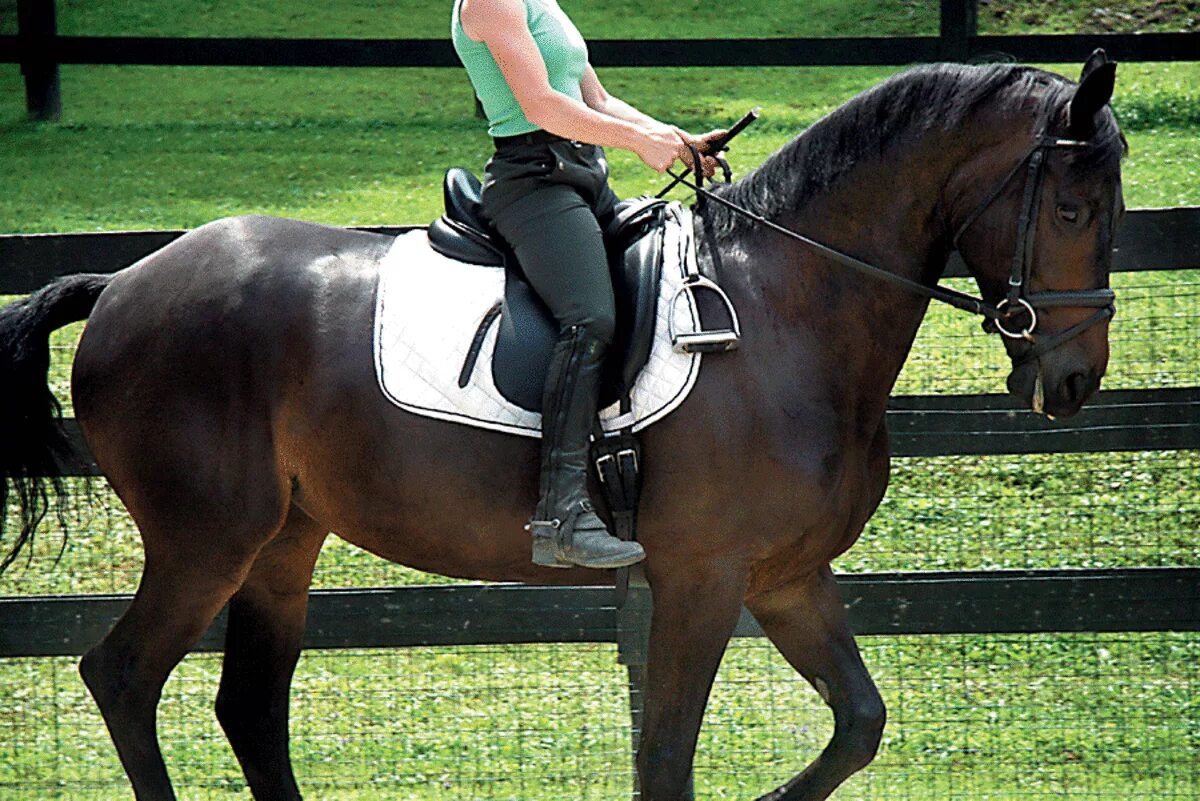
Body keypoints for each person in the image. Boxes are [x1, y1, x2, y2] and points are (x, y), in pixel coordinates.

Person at [451, 0, 723, 569]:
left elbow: (594, 101)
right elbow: (543, 106)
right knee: (590, 316)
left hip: (583, 176)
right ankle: (561, 515)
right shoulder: (489, 3)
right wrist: (636, 144)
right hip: (533, 183)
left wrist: (675, 138)